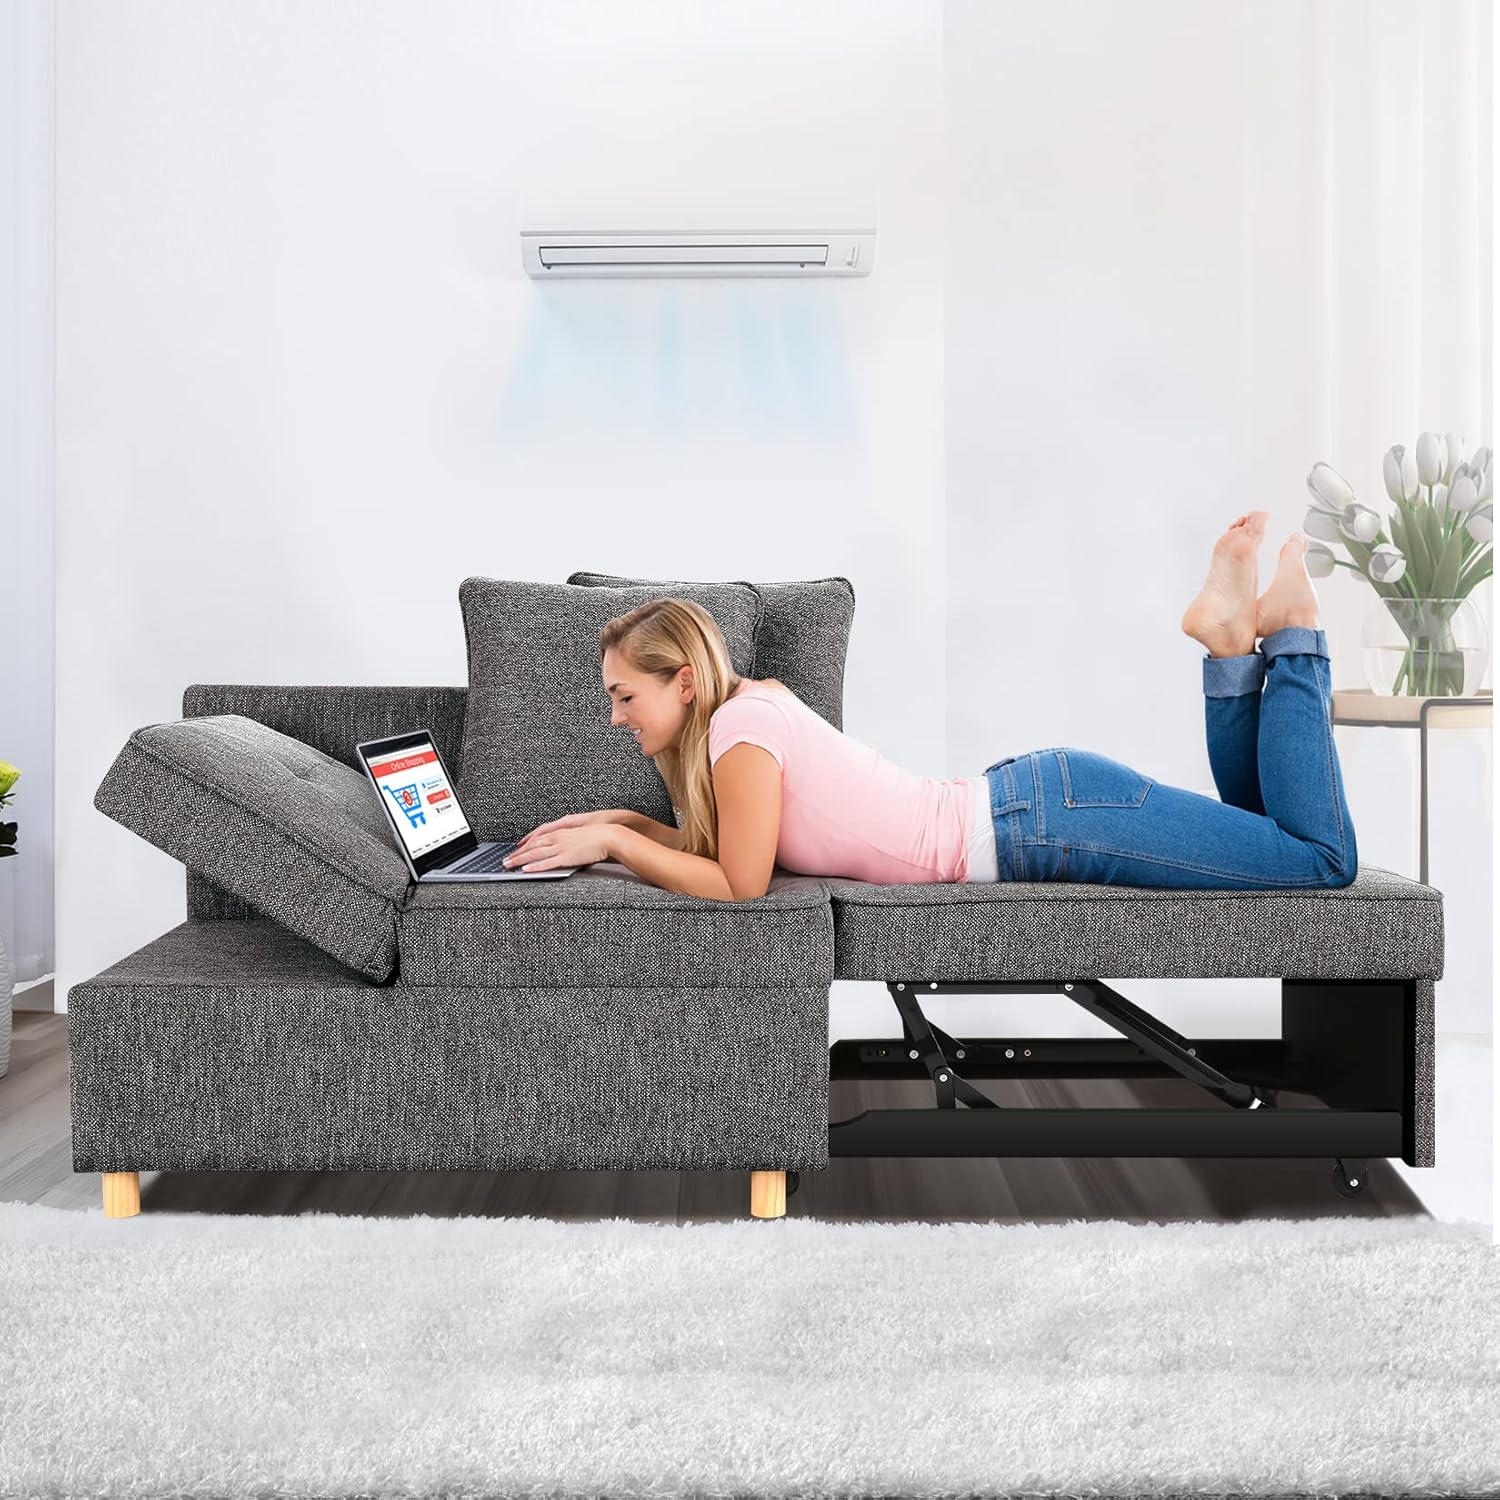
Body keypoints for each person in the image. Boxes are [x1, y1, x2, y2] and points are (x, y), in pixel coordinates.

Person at [502, 510, 1357, 898]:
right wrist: (621, 824)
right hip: (1039, 808)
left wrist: (616, 836)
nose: (615, 717)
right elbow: (715, 848)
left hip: (1050, 821)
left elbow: (738, 882)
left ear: (683, 681)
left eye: (624, 695)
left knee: (1319, 861)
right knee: (1270, 847)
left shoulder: (742, 728)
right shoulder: (739, 722)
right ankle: (1231, 648)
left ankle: (1292, 640)